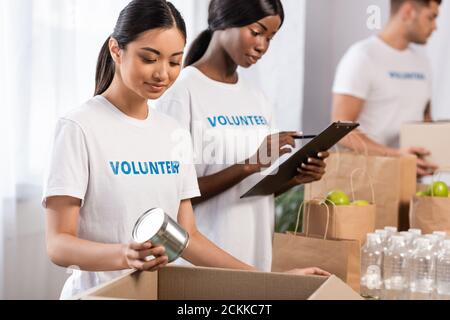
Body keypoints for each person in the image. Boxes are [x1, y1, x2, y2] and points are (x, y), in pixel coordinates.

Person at [43, 0, 329, 299]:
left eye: (174, 61)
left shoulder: (171, 131)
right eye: (149, 58)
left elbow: (188, 237)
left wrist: (275, 281)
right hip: (99, 294)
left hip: (155, 293)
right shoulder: (79, 127)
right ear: (117, 49)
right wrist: (123, 254)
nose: (162, 74)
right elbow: (58, 245)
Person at [157, 0, 329, 272]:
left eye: (270, 37)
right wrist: (248, 164)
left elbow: (253, 191)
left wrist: (293, 179)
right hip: (200, 265)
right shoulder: (182, 91)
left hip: (253, 259)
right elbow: (171, 196)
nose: (262, 46)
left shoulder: (257, 98)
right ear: (224, 21)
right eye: (257, 31)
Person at [332, 0, 441, 177]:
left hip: (410, 179)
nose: (435, 26)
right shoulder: (362, 57)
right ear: (408, 12)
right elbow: (340, 131)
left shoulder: (423, 62)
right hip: (366, 181)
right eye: (431, 17)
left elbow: (425, 120)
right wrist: (396, 156)